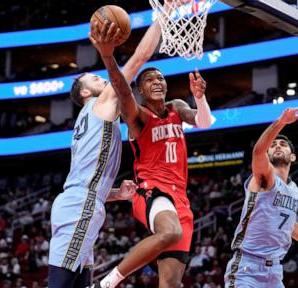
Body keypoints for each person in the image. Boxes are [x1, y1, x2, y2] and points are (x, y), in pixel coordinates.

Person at [90, 29, 212, 288]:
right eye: (150, 80)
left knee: (171, 283)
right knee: (170, 232)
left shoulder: (176, 107)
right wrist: (108, 58)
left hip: (180, 197)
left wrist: (200, 99)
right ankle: (106, 284)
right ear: (141, 91)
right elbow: (123, 91)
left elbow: (204, 121)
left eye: (160, 78)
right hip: (152, 190)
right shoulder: (139, 116)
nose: (157, 82)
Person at [48, 17, 162, 288]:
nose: (103, 78)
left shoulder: (85, 121)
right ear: (86, 92)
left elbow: (85, 179)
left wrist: (116, 194)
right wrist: (162, 18)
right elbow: (139, 58)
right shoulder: (101, 102)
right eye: (96, 78)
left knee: (78, 281)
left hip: (77, 203)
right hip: (80, 207)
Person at [224, 105, 298, 288]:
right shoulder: (265, 177)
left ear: (292, 157)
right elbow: (258, 151)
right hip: (247, 266)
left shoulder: (295, 191)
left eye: (282, 145)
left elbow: (288, 223)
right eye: (274, 144)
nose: (277, 146)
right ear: (268, 155)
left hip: (274, 270)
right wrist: (281, 122)